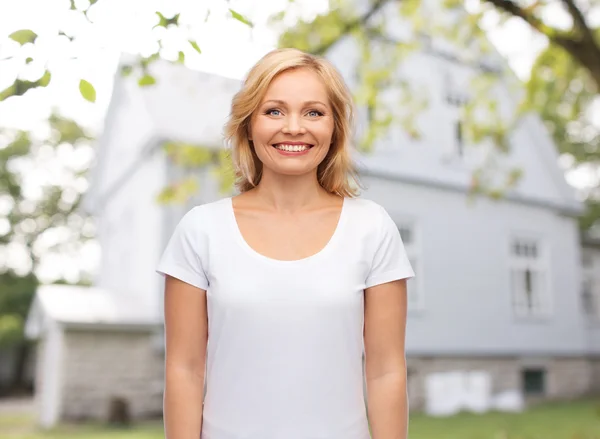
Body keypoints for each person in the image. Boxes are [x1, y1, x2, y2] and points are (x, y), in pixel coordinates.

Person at [155, 47, 415, 439]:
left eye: (314, 112)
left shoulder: (372, 228)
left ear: (335, 128)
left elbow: (385, 371)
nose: (294, 127)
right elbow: (184, 371)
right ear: (248, 126)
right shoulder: (201, 230)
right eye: (274, 111)